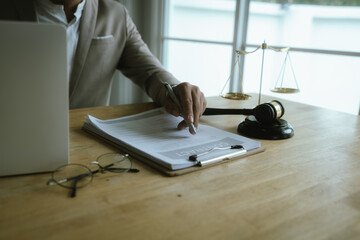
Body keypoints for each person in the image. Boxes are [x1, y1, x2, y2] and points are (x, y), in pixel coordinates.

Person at [0, 0, 207, 134]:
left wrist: (175, 88)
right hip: (14, 137)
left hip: (86, 140)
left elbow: (150, 72)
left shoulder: (116, 15)